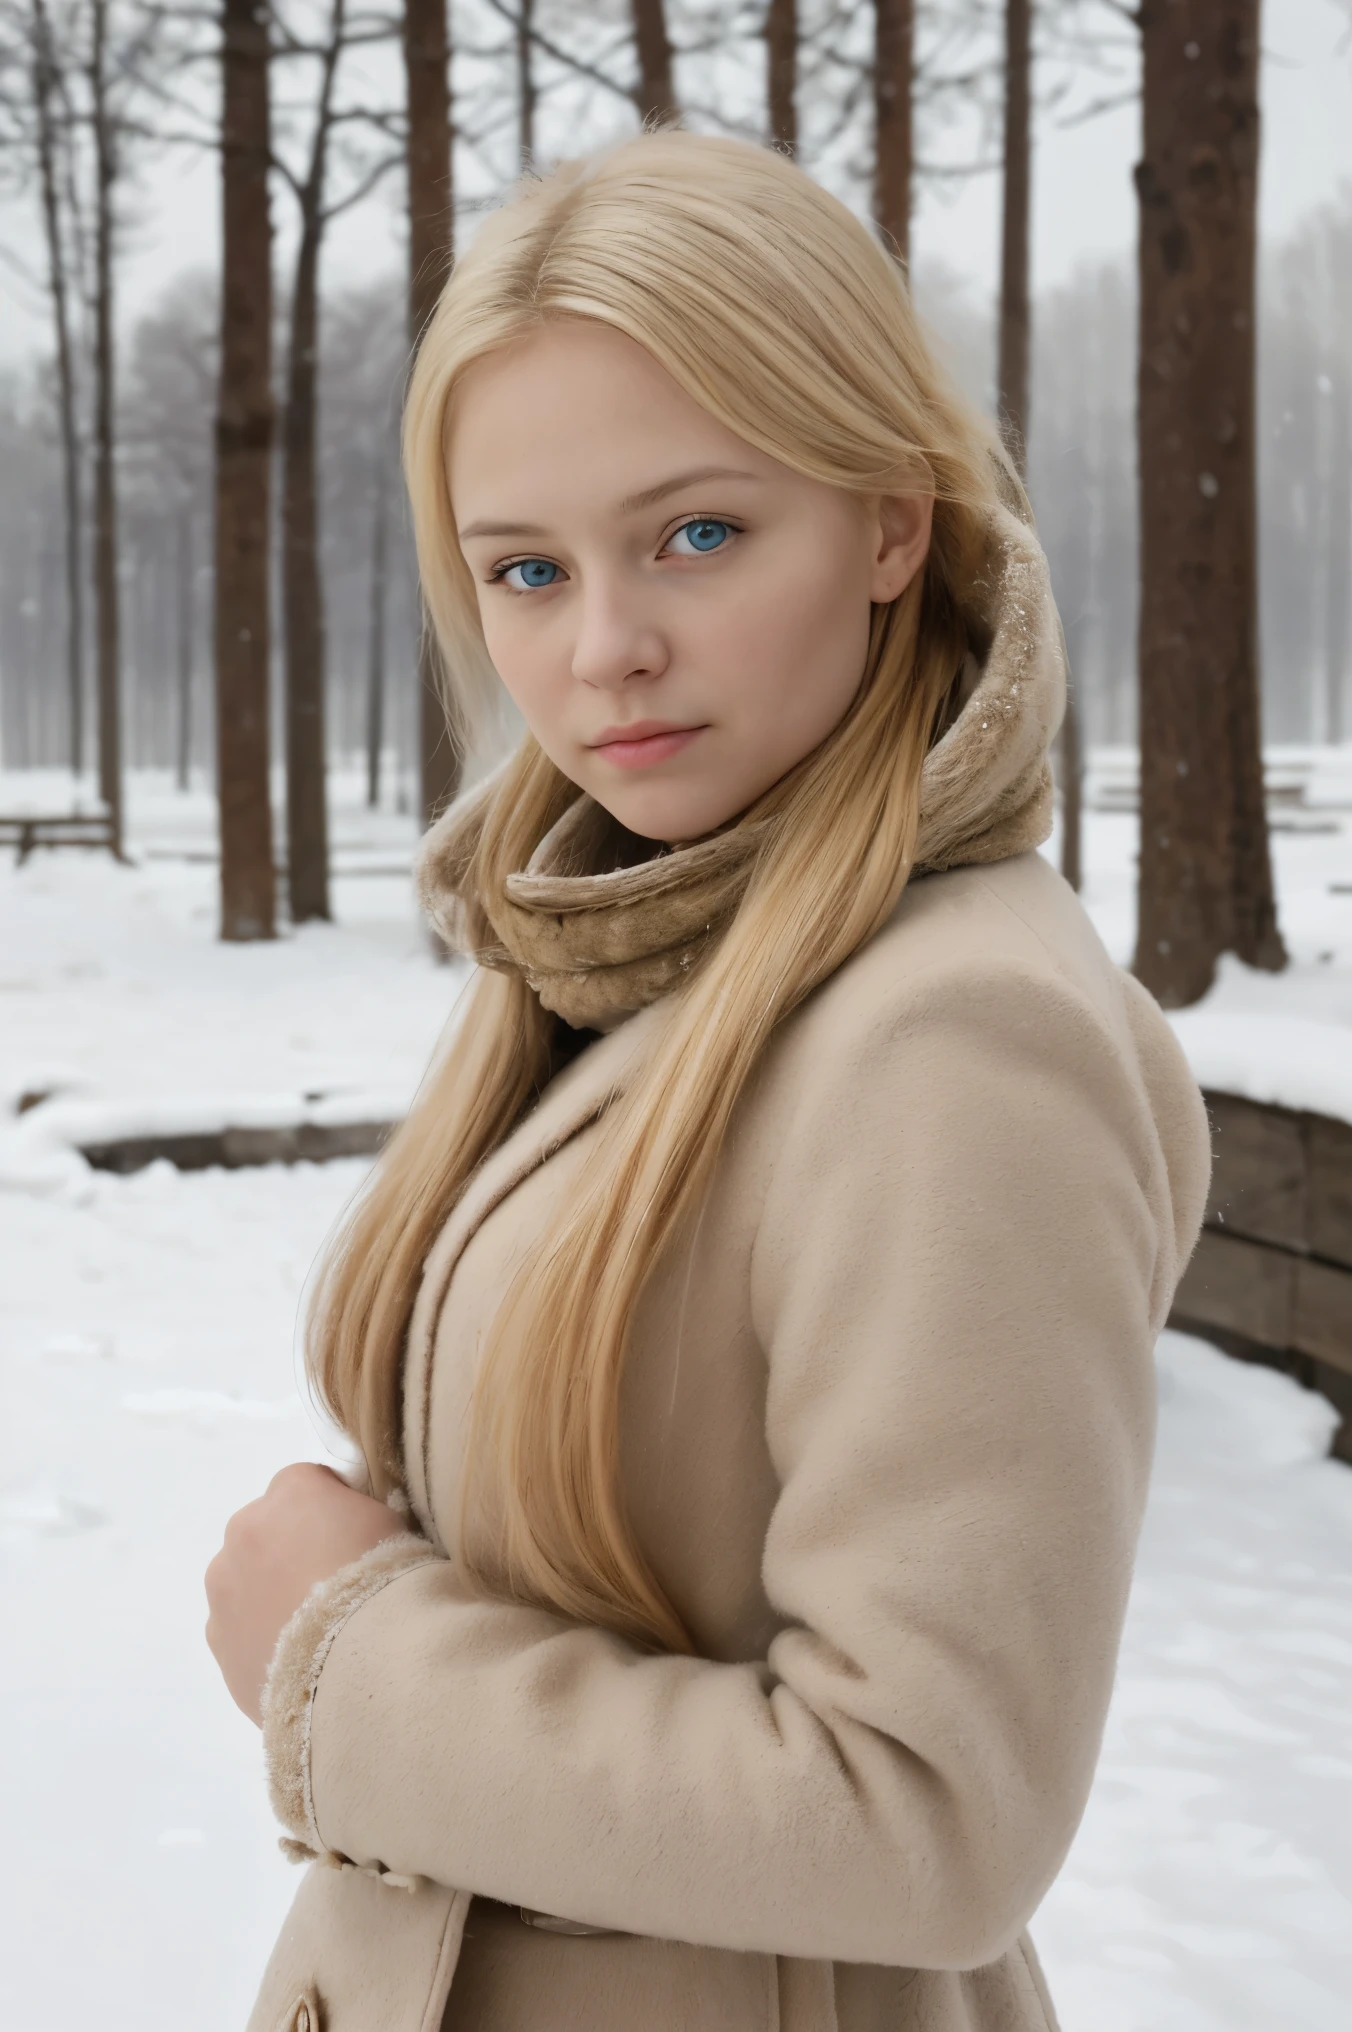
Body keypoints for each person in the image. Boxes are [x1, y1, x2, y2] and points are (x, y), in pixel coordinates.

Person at [206, 131, 1211, 2032]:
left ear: (893, 522)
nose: (603, 653)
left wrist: (345, 1666)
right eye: (525, 567)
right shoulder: (635, 949)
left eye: (698, 534)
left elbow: (929, 1817)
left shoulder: (950, 1043)